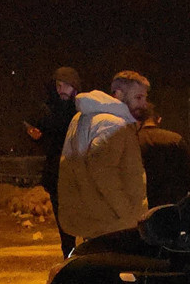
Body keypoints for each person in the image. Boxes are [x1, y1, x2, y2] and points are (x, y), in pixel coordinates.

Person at [57, 71, 149, 245]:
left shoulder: (82, 117)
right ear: (118, 94)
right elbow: (104, 174)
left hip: (91, 216)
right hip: (112, 223)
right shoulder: (113, 124)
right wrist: (129, 215)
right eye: (138, 98)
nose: (144, 104)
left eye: (145, 97)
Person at [25, 67, 81, 256]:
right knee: (64, 227)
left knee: (85, 222)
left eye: (66, 85)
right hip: (57, 175)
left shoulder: (82, 109)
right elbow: (48, 142)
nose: (61, 89)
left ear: (75, 86)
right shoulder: (49, 111)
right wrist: (37, 137)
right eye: (58, 85)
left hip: (79, 176)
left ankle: (87, 260)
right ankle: (70, 259)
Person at [138, 106, 190, 208]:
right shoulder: (176, 139)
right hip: (174, 204)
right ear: (159, 120)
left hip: (145, 205)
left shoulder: (134, 141)